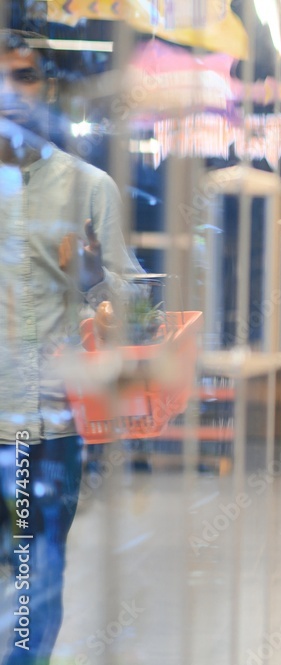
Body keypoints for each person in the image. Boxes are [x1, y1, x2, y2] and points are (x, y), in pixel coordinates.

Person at [0, 30, 142, 663]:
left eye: (25, 76)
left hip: (45, 428)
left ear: (46, 87)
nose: (12, 90)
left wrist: (99, 290)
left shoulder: (90, 189)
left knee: (33, 582)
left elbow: (134, 313)